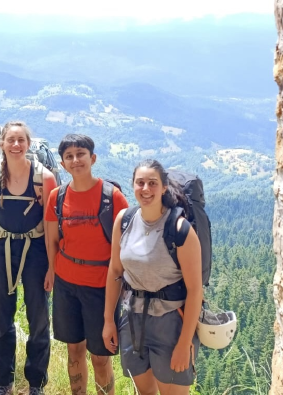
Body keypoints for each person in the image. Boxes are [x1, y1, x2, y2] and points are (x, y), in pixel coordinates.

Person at [102, 159, 204, 395]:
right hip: (132, 318)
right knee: (144, 391)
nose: (145, 189)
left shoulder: (179, 229)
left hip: (170, 323)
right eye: (140, 183)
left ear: (164, 187)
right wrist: (109, 320)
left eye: (152, 183)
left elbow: (195, 290)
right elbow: (115, 271)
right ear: (133, 185)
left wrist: (184, 343)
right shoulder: (124, 221)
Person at [44, 134, 129, 395]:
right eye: (69, 156)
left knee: (101, 357)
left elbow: (125, 247)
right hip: (66, 285)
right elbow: (52, 240)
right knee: (73, 351)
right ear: (62, 164)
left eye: (81, 154)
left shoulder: (113, 197)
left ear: (93, 158)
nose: (75, 160)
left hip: (101, 288)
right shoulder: (57, 197)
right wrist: (52, 271)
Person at [0, 122, 57, 395]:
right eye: (10, 140)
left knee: (38, 317)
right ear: (1, 143)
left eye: (21, 140)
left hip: (36, 251)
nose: (15, 145)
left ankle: (36, 383)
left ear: (28, 144)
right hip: (1, 249)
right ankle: (4, 382)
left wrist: (52, 266)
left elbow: (51, 226)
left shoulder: (44, 178)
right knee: (2, 316)